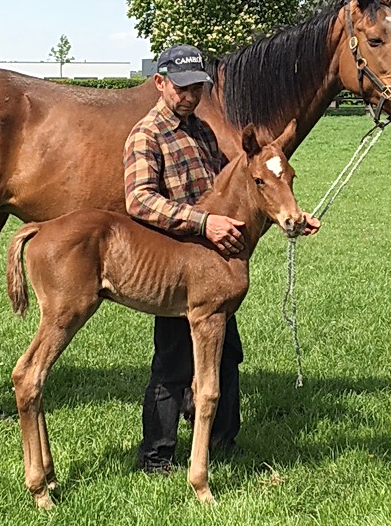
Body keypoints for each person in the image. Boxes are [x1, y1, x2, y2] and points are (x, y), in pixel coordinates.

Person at [124, 44, 246, 474]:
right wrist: (201, 222)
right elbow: (138, 201)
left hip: (213, 263)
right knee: (173, 360)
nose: (190, 95)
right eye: (182, 87)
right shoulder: (146, 134)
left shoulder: (203, 131)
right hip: (173, 261)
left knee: (227, 351)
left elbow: (233, 184)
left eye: (197, 87)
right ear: (160, 83)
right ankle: (156, 456)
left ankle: (221, 439)